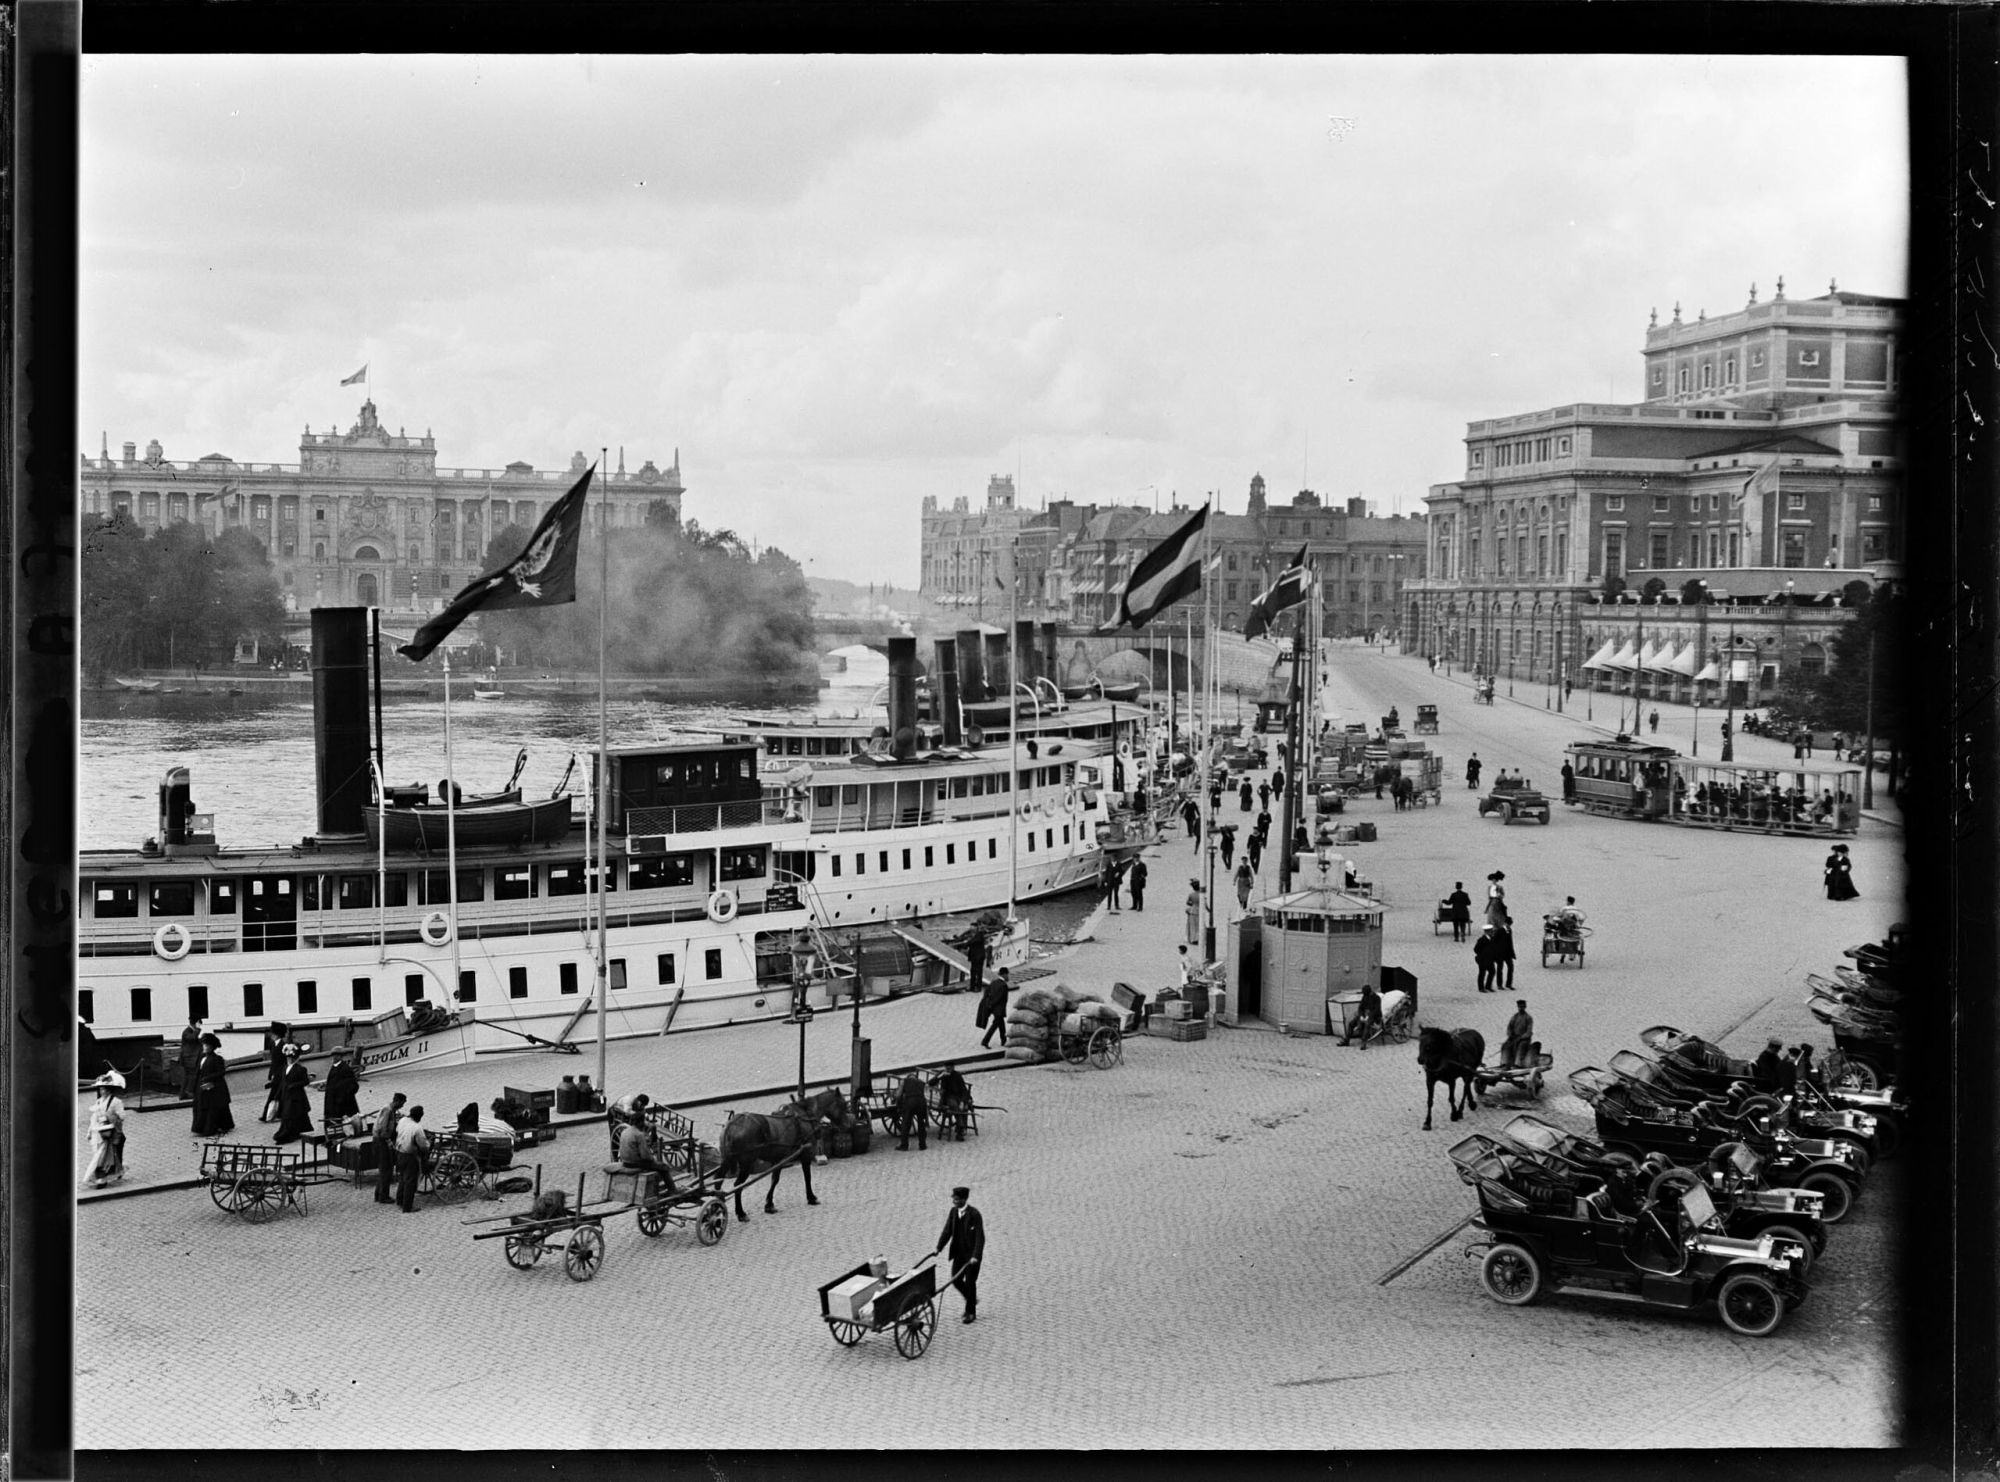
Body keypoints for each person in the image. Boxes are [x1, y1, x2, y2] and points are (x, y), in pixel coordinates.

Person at [935, 1186, 986, 1324]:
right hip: (959, 1254)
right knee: (955, 1279)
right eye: (953, 1199)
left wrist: (976, 1256)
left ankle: (970, 1313)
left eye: (956, 1199)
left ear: (964, 1199)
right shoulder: (953, 1212)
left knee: (970, 1282)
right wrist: (938, 1248)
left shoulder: (974, 1214)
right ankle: (971, 1299)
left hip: (972, 1257)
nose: (954, 1201)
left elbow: (980, 1238)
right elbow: (947, 1231)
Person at [83, 1071, 128, 1188]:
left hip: (112, 1133)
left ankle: (103, 1179)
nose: (101, 1091)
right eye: (100, 1089)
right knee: (103, 1156)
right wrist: (89, 1131)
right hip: (100, 1133)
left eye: (103, 1089)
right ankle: (113, 1172)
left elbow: (122, 1116)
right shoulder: (98, 1102)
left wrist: (108, 1117)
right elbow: (94, 1118)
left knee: (107, 1157)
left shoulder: (116, 1102)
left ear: (108, 1089)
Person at [616, 1118, 681, 1192]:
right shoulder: (639, 1134)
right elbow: (645, 1156)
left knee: (657, 1166)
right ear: (640, 1123)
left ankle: (659, 1187)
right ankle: (673, 1191)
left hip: (625, 1162)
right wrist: (653, 1160)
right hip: (636, 1164)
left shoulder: (624, 1131)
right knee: (664, 1167)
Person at [191, 1032, 234, 1138]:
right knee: (200, 1104)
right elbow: (198, 1071)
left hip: (213, 1086)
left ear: (212, 1047)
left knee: (210, 1106)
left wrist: (208, 1077)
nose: (204, 1047)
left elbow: (221, 1072)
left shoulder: (217, 1059)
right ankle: (200, 1127)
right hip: (202, 1084)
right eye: (204, 1045)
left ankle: (211, 1127)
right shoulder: (202, 1057)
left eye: (206, 1045)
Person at [272, 1044, 314, 1144]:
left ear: (295, 1058)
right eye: (288, 1057)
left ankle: (285, 1135)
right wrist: (277, 1096)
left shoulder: (300, 1069)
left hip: (297, 1096)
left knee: (289, 1115)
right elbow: (282, 1083)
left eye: (292, 1057)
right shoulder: (285, 1068)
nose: (290, 1059)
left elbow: (305, 1081)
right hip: (286, 1096)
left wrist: (294, 1085)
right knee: (297, 1115)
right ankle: (302, 1131)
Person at [372, 1092, 407, 1203]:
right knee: (386, 1169)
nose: (402, 1106)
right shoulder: (387, 1110)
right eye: (402, 1103)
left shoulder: (391, 1110)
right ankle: (383, 1196)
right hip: (381, 1142)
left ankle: (379, 1194)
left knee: (384, 1169)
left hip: (381, 1140)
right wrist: (389, 1142)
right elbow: (382, 1129)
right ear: (398, 1101)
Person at [394, 1104, 430, 1213]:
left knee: (402, 1178)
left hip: (399, 1152)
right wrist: (428, 1146)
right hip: (410, 1156)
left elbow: (397, 1131)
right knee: (410, 1181)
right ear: (419, 1117)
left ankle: (400, 1200)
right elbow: (423, 1146)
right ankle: (407, 1207)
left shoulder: (403, 1120)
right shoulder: (417, 1128)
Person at [259, 1021, 291, 1123]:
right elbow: (273, 1061)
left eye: (273, 1033)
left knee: (276, 1094)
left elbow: (285, 1062)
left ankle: (268, 1115)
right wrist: (271, 1073)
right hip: (275, 1073)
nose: (271, 1035)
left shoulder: (283, 1045)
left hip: (281, 1073)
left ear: (277, 1034)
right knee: (276, 1094)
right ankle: (271, 1115)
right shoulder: (272, 1044)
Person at [935, 1062, 972, 1142]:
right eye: (947, 1068)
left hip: (958, 1097)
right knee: (954, 1105)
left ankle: (960, 1131)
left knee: (963, 1108)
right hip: (947, 1097)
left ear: (953, 1067)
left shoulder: (957, 1075)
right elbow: (931, 1082)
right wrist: (940, 1076)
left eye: (950, 1068)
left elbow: (963, 1089)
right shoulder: (942, 1074)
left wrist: (962, 1101)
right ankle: (961, 1127)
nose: (948, 1070)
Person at [977, 967, 1012, 1050]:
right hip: (999, 1009)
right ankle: (985, 1041)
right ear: (1004, 974)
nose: (1008, 977)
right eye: (1007, 975)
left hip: (994, 1009)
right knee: (995, 1026)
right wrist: (993, 1004)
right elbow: (999, 998)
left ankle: (1004, 1040)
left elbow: (987, 993)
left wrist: (989, 1005)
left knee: (1001, 1025)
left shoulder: (993, 983)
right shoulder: (1003, 985)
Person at [1337, 981, 1381, 1047]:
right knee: (1351, 1023)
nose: (1364, 995)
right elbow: (1360, 1008)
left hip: (1374, 1016)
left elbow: (1376, 1010)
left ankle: (1364, 1042)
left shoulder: (1377, 998)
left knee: (1367, 1024)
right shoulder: (1364, 997)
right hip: (1364, 1014)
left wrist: (1368, 1017)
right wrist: (1361, 1016)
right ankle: (1346, 1040)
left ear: (1370, 992)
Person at [892, 1073, 929, 1152]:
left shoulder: (904, 1081)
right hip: (921, 1102)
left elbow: (898, 1095)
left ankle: (904, 1145)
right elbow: (926, 1095)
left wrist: (894, 1096)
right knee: (921, 1123)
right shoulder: (921, 1082)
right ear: (915, 1077)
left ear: (908, 1077)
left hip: (910, 1102)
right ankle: (922, 1145)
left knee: (906, 1124)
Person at [322, 1051, 360, 1125]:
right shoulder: (334, 1067)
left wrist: (346, 1094)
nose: (334, 1057)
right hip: (333, 1097)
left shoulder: (345, 1068)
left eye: (336, 1055)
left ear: (341, 1057)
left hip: (342, 1098)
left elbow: (353, 1084)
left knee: (345, 1114)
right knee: (333, 1113)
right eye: (333, 1056)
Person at [1502, 1000, 1535, 1069]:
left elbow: (1529, 1031)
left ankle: (1518, 1064)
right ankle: (1505, 1063)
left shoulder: (1528, 1018)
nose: (1521, 1008)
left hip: (1524, 1039)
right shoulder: (1515, 1017)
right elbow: (1509, 1027)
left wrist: (1522, 1037)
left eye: (1522, 1007)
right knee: (1505, 1045)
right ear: (1518, 1007)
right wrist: (1510, 1034)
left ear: (1525, 1007)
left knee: (1521, 1046)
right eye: (1520, 1007)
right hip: (1514, 1037)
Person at [177, 1015, 204, 1099]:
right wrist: (198, 1029)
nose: (200, 1025)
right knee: (190, 1076)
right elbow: (192, 1038)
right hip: (189, 1059)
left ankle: (184, 1094)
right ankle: (187, 1093)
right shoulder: (187, 1031)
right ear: (196, 1023)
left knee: (188, 1076)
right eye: (199, 1023)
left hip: (191, 1058)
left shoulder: (190, 1031)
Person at [1473, 925, 1499, 993]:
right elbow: (1476, 949)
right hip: (1483, 960)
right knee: (1482, 973)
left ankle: (1488, 986)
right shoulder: (1482, 940)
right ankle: (1481, 988)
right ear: (1487, 932)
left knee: (1492, 972)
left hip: (1490, 959)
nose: (1492, 932)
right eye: (1491, 931)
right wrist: (1482, 954)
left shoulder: (1492, 939)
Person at [1494, 917, 1518, 990]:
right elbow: (1494, 942)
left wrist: (1512, 953)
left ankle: (1508, 984)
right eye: (1508, 924)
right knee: (1500, 969)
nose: (1509, 925)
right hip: (1500, 953)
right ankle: (1499, 984)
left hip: (1508, 953)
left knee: (1510, 967)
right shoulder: (1500, 930)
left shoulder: (1509, 930)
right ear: (1505, 923)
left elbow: (1510, 942)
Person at [1185, 880, 1202, 946]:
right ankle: (1198, 938)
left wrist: (1192, 904)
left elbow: (1187, 902)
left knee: (1192, 926)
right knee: (1199, 925)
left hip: (1192, 911)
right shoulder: (1201, 894)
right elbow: (1205, 904)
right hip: (1199, 911)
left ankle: (1193, 938)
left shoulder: (1191, 894)